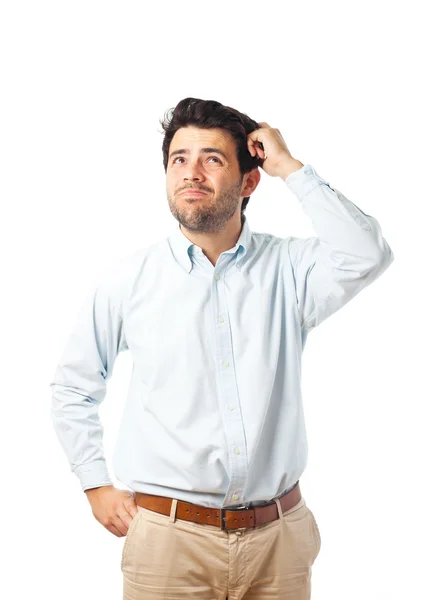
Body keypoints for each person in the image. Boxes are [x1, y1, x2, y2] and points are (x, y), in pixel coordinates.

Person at [50, 97, 394, 599]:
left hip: (279, 541)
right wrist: (95, 483)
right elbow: (74, 386)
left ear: (249, 181)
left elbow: (367, 253)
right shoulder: (128, 280)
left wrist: (290, 168)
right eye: (179, 159)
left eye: (212, 159)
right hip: (168, 543)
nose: (192, 173)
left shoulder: (291, 270)